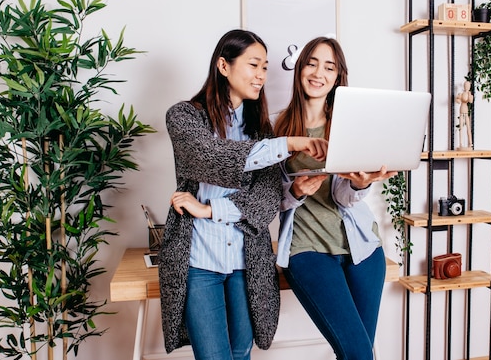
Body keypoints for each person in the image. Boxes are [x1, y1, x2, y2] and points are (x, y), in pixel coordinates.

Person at [158, 29, 328, 360]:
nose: (261, 75)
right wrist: (289, 143)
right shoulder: (184, 117)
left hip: (246, 261)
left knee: (241, 352)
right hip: (199, 260)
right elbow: (213, 157)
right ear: (223, 65)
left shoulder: (260, 130)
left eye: (265, 67)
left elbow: (265, 203)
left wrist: (209, 210)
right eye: (254, 65)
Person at [273, 36, 396, 360]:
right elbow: (266, 198)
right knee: (357, 353)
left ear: (338, 76)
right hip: (308, 250)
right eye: (312, 63)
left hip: (363, 249)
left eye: (329, 67)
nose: (318, 73)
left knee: (357, 354)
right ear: (300, 69)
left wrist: (359, 183)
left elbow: (344, 197)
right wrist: (296, 191)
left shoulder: (348, 126)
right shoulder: (277, 128)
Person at [455, 80, 474, 150]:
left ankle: (470, 143)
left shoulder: (469, 94)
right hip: (461, 110)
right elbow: (458, 100)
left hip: (466, 110)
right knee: (461, 127)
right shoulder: (461, 94)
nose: (467, 87)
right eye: (466, 85)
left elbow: (471, 101)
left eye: (468, 86)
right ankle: (461, 143)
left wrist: (469, 94)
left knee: (468, 127)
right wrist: (458, 99)